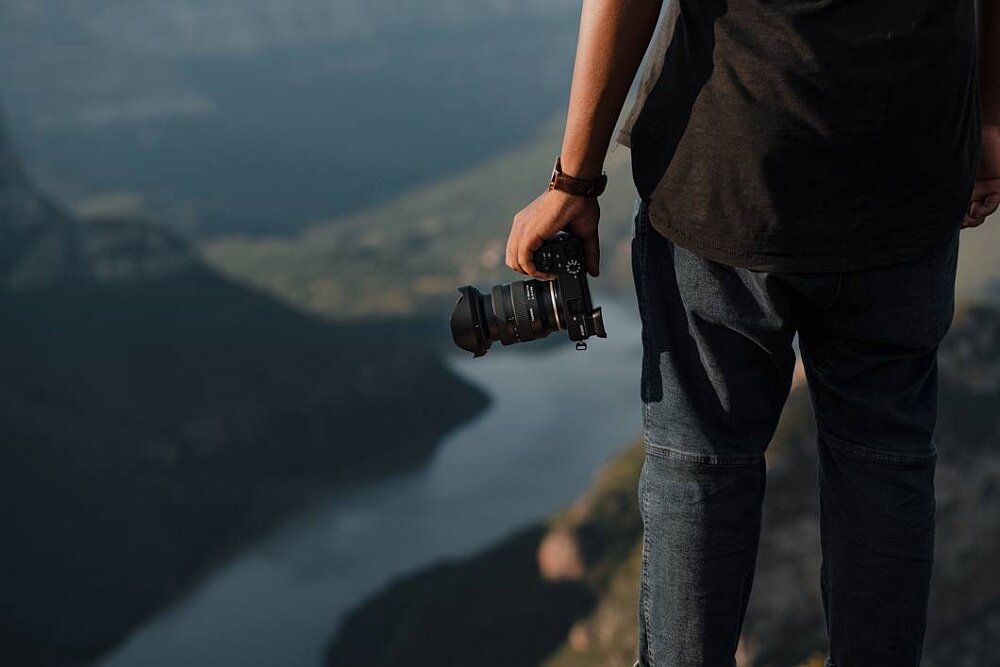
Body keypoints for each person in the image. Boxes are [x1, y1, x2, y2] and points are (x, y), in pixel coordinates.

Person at [505, 0, 999, 665]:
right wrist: (990, 116)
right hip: (906, 173)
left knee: (698, 470)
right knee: (885, 463)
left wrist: (573, 179)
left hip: (727, 166)